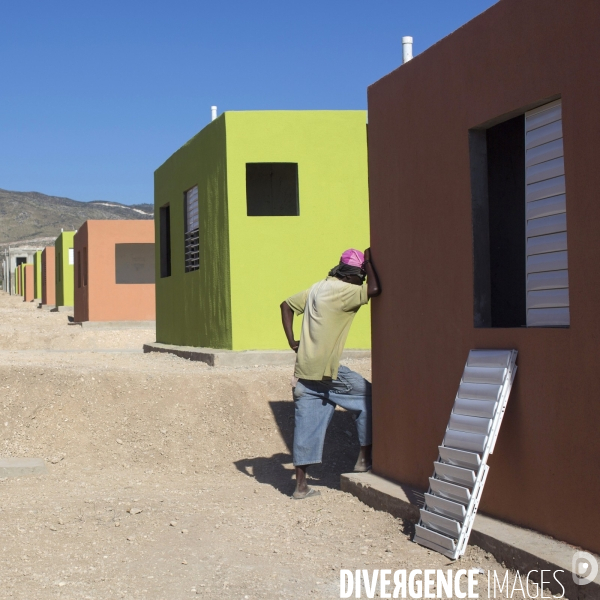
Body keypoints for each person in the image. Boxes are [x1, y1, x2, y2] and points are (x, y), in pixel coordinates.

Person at [280, 248, 381, 499]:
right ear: (352, 275)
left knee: (306, 427)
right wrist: (369, 265)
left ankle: (301, 487)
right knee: (368, 397)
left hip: (305, 371)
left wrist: (292, 341)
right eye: (360, 276)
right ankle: (363, 460)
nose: (362, 280)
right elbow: (374, 290)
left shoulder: (317, 288)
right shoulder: (346, 291)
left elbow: (285, 305)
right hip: (328, 371)